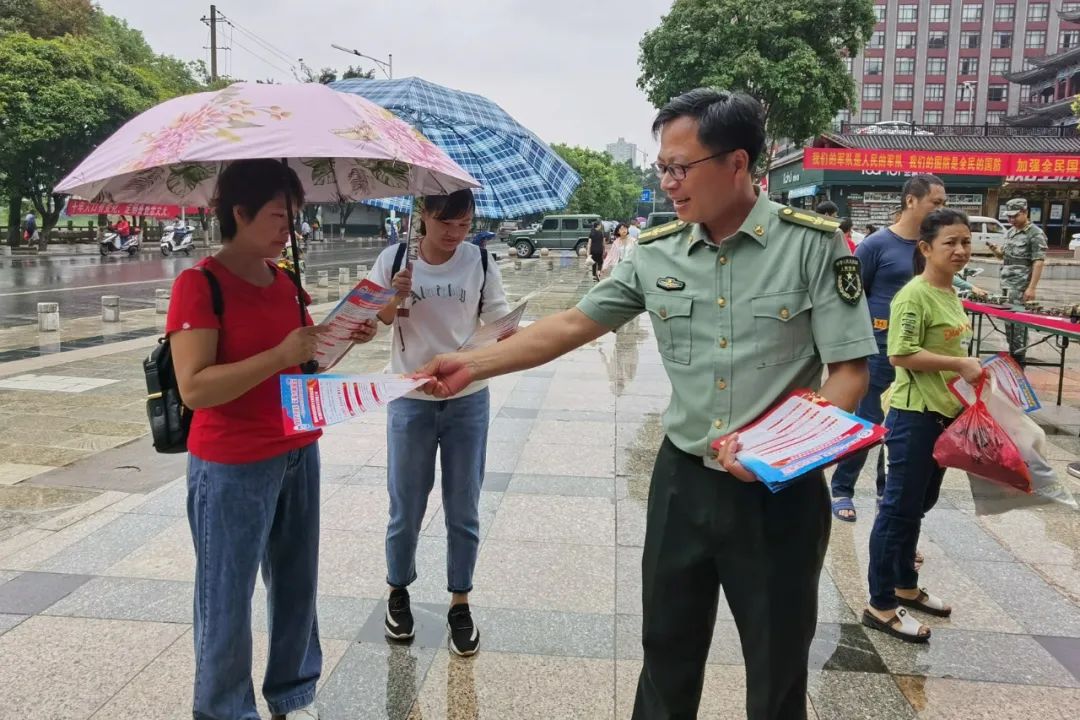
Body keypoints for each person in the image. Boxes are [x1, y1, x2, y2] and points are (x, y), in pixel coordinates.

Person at [413, 88, 876, 720]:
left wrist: (784, 449)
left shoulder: (814, 247)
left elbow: (850, 370)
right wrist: (470, 363)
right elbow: (573, 324)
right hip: (682, 483)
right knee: (666, 654)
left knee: (777, 669)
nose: (667, 183)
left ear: (736, 164)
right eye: (663, 167)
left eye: (680, 168)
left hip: (777, 495)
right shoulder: (656, 252)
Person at [166, 159, 376, 720]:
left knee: (296, 584)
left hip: (296, 449)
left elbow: (304, 363)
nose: (290, 228)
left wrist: (345, 335)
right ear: (240, 213)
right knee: (226, 598)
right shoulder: (200, 285)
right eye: (279, 215)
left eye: (294, 216)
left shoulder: (285, 279)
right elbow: (195, 389)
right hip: (233, 464)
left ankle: (291, 692)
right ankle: (224, 710)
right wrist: (280, 355)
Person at [369, 189, 509, 658]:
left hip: (467, 399)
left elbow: (499, 324)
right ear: (423, 216)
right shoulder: (394, 259)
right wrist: (394, 295)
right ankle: (397, 592)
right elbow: (371, 323)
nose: (455, 233)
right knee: (405, 505)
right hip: (409, 399)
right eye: (446, 223)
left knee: (463, 505)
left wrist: (499, 339)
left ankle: (460, 601)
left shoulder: (480, 262)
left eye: (464, 223)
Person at [863, 208, 983, 643]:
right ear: (926, 248)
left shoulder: (950, 293)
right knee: (897, 510)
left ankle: (905, 586)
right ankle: (880, 603)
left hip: (942, 416)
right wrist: (959, 363)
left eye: (966, 242)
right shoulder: (913, 295)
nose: (960, 250)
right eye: (950, 242)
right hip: (912, 417)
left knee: (919, 503)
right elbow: (899, 353)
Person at [829, 174, 946, 522]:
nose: (941, 209)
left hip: (918, 352)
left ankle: (886, 495)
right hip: (879, 349)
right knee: (866, 422)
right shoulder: (876, 245)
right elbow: (850, 299)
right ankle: (842, 488)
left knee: (902, 427)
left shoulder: (931, 247)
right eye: (935, 203)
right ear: (911, 200)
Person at [986, 198, 1048, 365]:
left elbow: (1038, 261)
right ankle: (1013, 353)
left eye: (1014, 216)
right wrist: (994, 250)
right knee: (1008, 322)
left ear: (1024, 212)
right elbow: (1003, 256)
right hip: (1006, 284)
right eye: (1009, 216)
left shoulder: (1034, 233)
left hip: (1021, 286)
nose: (1010, 220)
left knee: (1019, 323)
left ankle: (1019, 358)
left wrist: (1032, 287)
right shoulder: (1010, 232)